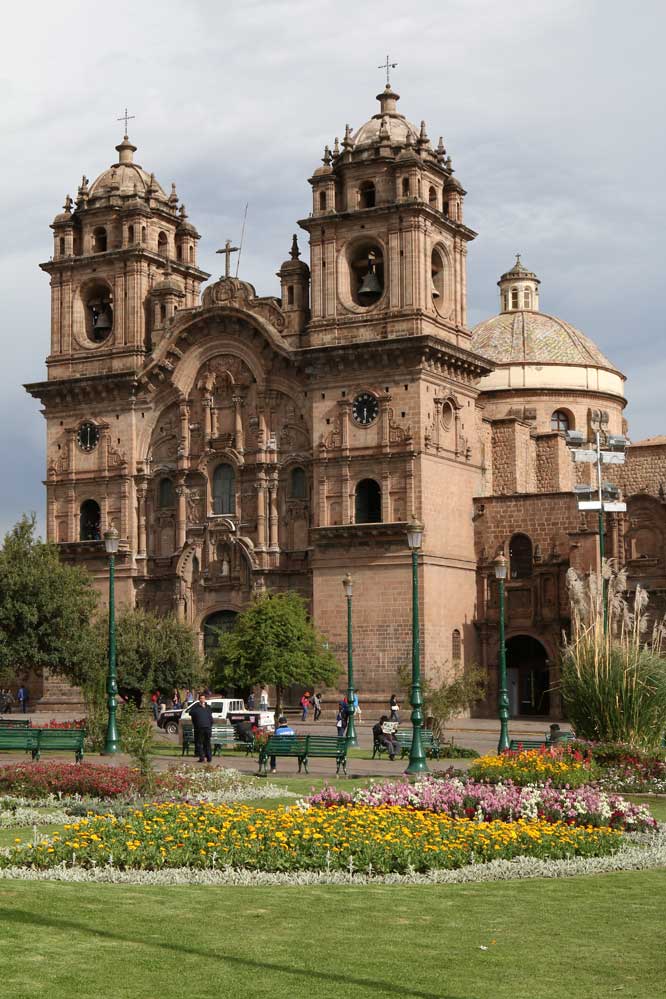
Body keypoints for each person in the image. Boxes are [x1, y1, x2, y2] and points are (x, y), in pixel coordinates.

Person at [189, 692, 214, 763]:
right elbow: (191, 713)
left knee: (207, 743)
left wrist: (210, 725)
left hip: (207, 727)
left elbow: (210, 718)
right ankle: (202, 757)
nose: (202, 699)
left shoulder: (208, 707)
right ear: (199, 699)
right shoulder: (196, 707)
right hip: (199, 728)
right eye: (201, 698)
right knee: (199, 743)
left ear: (205, 699)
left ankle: (209, 757)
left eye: (203, 698)